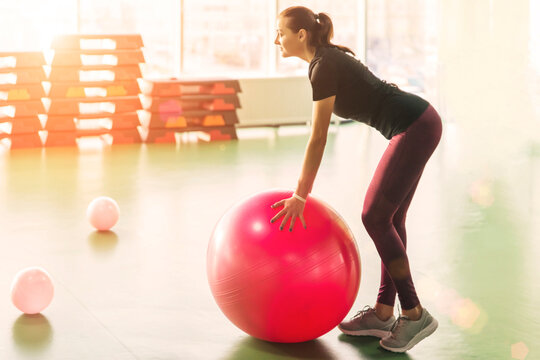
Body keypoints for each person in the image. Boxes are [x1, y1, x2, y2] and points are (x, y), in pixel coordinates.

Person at [269, 6, 442, 353]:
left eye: (281, 33)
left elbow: (318, 137)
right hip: (419, 122)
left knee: (374, 216)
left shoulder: (323, 66)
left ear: (301, 35)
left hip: (414, 126)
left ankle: (413, 312)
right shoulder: (325, 62)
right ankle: (382, 313)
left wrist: (300, 195)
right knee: (389, 219)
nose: (276, 40)